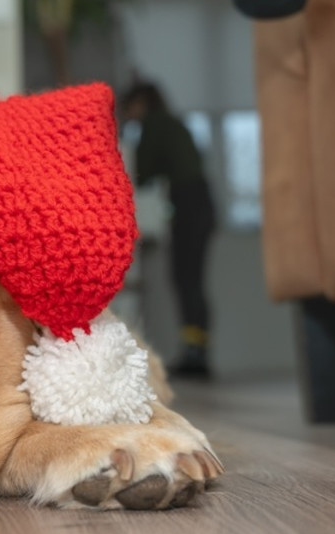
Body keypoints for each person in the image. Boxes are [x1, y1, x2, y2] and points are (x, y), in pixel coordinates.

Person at [122, 82, 216, 379]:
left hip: (188, 205)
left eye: (130, 107)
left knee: (185, 279)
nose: (129, 114)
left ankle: (195, 355)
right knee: (192, 280)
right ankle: (197, 351)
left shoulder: (154, 125)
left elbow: (143, 169)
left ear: (141, 103)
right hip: (200, 203)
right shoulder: (173, 123)